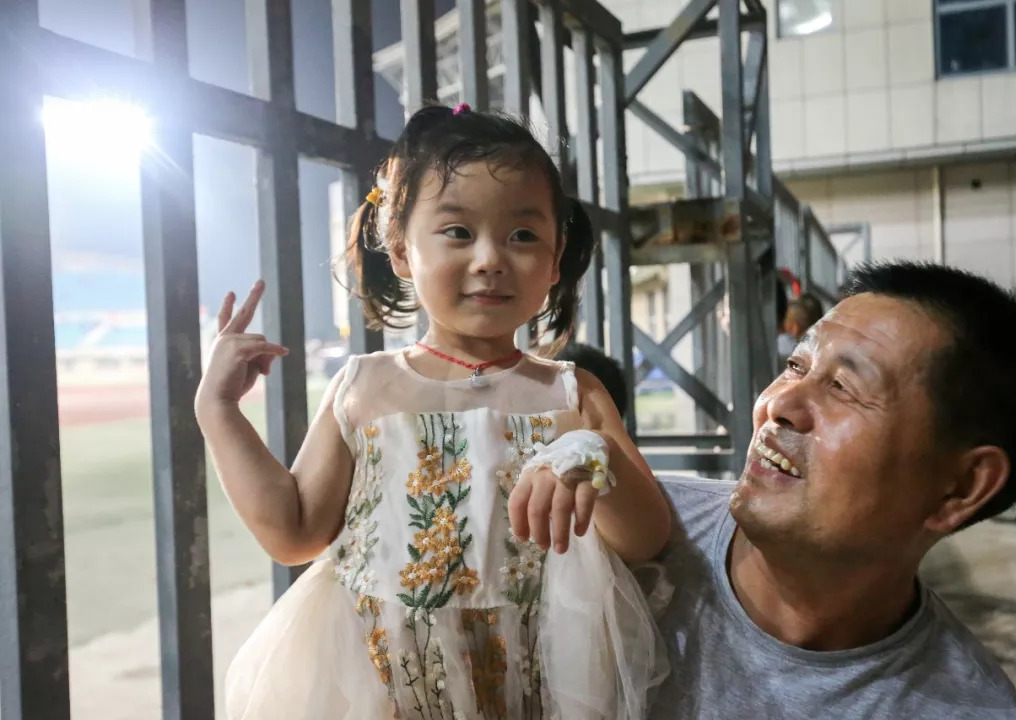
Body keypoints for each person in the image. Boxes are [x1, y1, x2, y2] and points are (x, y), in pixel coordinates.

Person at [196, 104, 670, 720]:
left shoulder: (571, 394)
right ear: (399, 249)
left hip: (538, 685)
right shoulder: (364, 386)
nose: (491, 258)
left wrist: (590, 454)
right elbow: (294, 532)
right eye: (457, 232)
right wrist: (219, 410)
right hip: (385, 691)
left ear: (554, 263)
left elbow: (645, 538)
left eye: (523, 235)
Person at [650, 261, 1016, 719]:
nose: (779, 404)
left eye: (843, 387)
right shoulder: (611, 532)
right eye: (796, 365)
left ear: (961, 488)